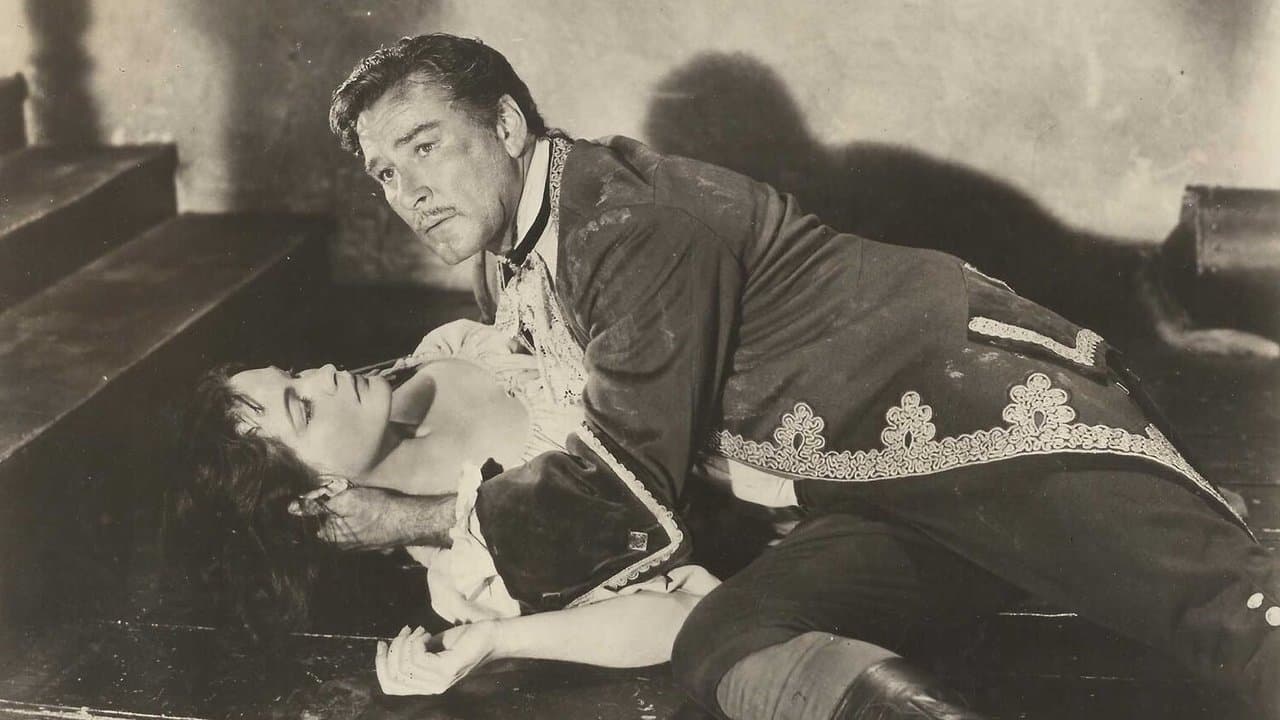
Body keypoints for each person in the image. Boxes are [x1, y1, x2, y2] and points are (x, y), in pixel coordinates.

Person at [317, 34, 1279, 719]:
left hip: (995, 428)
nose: (411, 192)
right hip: (875, 492)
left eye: (425, 147)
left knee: (1233, 620)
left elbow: (626, 476)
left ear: (508, 124)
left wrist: (412, 520)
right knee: (727, 638)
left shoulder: (625, 224)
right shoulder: (518, 256)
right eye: (386, 175)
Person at [168, 319, 720, 681]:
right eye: (303, 408)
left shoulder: (444, 353)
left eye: (295, 375)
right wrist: (497, 640)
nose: (326, 374)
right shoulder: (475, 573)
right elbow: (688, 615)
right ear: (319, 495)